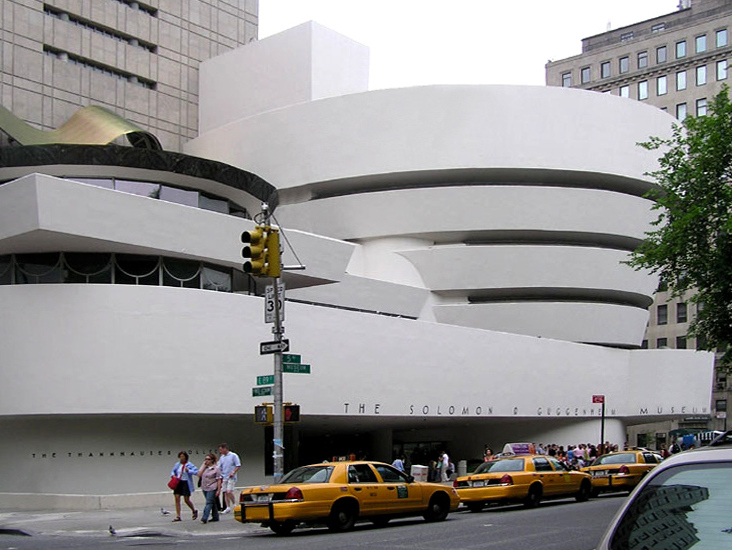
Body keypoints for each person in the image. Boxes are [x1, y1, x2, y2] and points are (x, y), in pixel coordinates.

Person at [170, 451, 199, 522]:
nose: (181, 458)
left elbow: (196, 472)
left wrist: (189, 471)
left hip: (186, 482)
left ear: (186, 457)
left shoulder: (189, 465)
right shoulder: (177, 464)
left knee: (186, 499)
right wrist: (173, 475)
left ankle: (194, 510)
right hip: (178, 482)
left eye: (183, 456)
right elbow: (173, 471)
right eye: (180, 457)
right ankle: (178, 516)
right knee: (177, 498)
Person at [197, 453, 223, 524]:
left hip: (212, 487)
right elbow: (199, 475)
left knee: (208, 502)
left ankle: (205, 517)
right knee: (212, 502)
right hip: (204, 487)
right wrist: (203, 465)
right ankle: (215, 516)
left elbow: (219, 480)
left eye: (208, 459)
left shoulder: (216, 469)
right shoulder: (205, 468)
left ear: (212, 460)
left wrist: (218, 489)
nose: (207, 461)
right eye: (205, 459)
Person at [218, 443, 241, 514]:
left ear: (225, 448)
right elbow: (219, 466)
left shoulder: (233, 455)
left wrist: (233, 472)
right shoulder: (222, 457)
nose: (220, 451)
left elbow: (238, 465)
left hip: (231, 477)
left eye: (221, 450)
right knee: (225, 492)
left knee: (229, 491)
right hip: (224, 476)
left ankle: (234, 504)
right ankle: (227, 507)